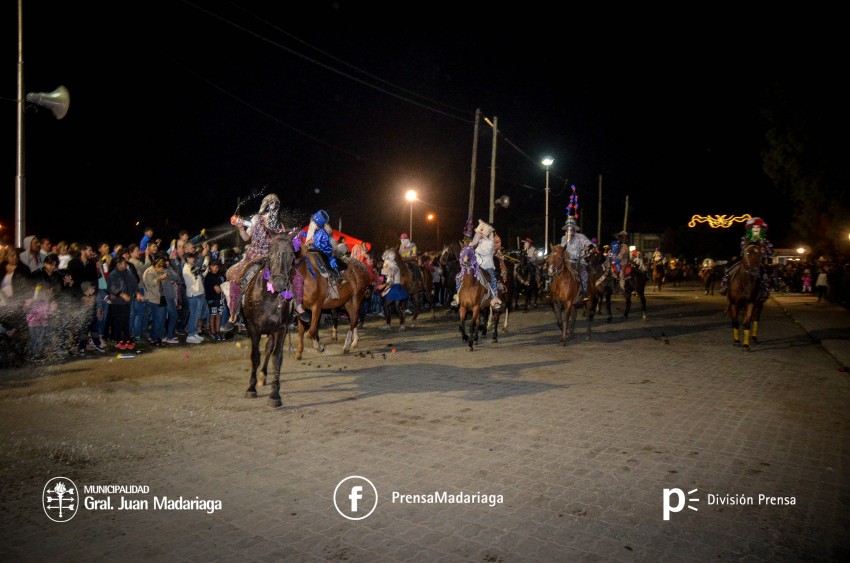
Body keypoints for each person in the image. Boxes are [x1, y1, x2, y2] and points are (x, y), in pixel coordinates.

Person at [226, 193, 287, 324]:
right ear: (266, 205)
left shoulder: (280, 225)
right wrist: (241, 228)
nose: (274, 206)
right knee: (236, 279)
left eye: (277, 204)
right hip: (253, 256)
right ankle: (233, 314)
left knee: (290, 276)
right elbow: (246, 238)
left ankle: (296, 308)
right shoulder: (256, 219)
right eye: (272, 203)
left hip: (271, 258)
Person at [719, 217, 774, 300]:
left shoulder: (765, 241)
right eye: (753, 227)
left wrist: (764, 251)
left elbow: (770, 252)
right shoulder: (745, 238)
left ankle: (764, 291)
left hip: (758, 262)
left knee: (765, 274)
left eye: (758, 227)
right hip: (745, 260)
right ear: (750, 229)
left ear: (761, 229)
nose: (755, 229)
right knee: (730, 268)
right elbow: (742, 249)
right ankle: (725, 286)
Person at [451, 219, 502, 308]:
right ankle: (458, 296)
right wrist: (465, 253)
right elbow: (466, 250)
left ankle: (495, 299)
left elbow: (486, 252)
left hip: (487, 266)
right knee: (458, 276)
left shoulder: (489, 243)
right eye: (480, 232)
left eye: (482, 232)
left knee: (493, 278)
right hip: (475, 266)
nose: (480, 233)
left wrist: (474, 249)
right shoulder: (475, 242)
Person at [106, 255, 140, 350]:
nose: (126, 264)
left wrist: (137, 293)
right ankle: (118, 340)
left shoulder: (128, 272)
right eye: (124, 263)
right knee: (118, 322)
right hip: (117, 302)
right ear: (118, 264)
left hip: (127, 302)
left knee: (126, 321)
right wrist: (122, 294)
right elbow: (111, 287)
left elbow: (134, 283)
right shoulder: (113, 274)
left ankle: (126, 339)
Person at [305, 210, 345, 284]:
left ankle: (336, 275)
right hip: (314, 248)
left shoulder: (324, 230)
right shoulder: (312, 228)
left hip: (325, 248)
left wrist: (313, 242)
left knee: (327, 258)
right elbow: (308, 240)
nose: (313, 225)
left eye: (315, 224)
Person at [561, 216, 592, 300]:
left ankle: (584, 291)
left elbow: (588, 245)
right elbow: (562, 249)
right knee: (554, 269)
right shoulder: (563, 238)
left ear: (574, 229)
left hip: (579, 260)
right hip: (567, 260)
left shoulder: (581, 236)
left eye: (571, 229)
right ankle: (551, 289)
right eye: (568, 228)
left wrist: (586, 247)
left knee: (584, 273)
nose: (569, 230)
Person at [142, 258, 168, 347]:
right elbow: (151, 283)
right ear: (157, 266)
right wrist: (160, 277)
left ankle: (157, 338)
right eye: (161, 269)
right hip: (153, 299)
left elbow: (159, 285)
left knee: (160, 319)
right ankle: (156, 338)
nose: (162, 271)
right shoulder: (150, 272)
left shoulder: (155, 272)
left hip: (158, 298)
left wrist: (162, 279)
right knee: (158, 319)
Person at [183, 252, 207, 344]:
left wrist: (205, 268)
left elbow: (201, 275)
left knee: (197, 315)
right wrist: (205, 261)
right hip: (193, 295)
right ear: (187, 259)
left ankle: (194, 333)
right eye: (192, 258)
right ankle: (190, 335)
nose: (193, 260)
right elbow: (197, 273)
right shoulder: (186, 269)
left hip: (199, 293)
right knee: (193, 315)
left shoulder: (191, 267)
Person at [204, 260, 226, 341]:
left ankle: (218, 332)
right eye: (214, 266)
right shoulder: (209, 276)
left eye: (217, 267)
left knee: (219, 315)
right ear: (210, 267)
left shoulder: (220, 275)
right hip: (212, 299)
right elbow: (218, 290)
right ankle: (212, 332)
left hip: (220, 299)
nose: (216, 268)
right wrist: (224, 288)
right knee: (213, 315)